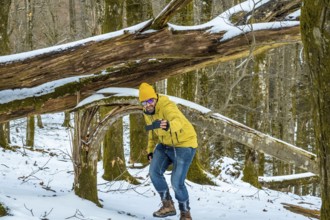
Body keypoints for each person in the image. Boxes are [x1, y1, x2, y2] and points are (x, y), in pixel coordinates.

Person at [138, 82, 198, 220]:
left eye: (150, 100)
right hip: (165, 144)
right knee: (154, 172)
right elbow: (152, 132)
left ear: (155, 99)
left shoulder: (166, 105)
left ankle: (185, 213)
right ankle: (168, 205)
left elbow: (177, 121)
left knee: (177, 182)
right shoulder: (147, 112)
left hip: (184, 144)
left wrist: (169, 125)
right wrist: (150, 150)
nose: (148, 104)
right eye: (144, 102)